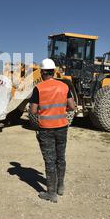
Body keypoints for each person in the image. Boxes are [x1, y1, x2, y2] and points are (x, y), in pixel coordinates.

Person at [29, 58, 76, 203]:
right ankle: (60, 187)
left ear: (42, 72)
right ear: (54, 71)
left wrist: (42, 110)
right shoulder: (64, 86)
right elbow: (72, 107)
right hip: (62, 127)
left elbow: (33, 110)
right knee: (60, 157)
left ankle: (51, 193)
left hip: (46, 129)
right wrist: (62, 108)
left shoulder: (39, 88)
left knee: (50, 160)